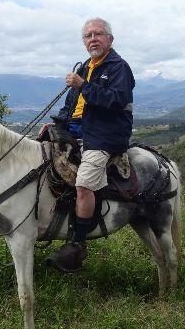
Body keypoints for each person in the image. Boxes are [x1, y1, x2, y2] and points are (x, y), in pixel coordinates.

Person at [45, 17, 135, 273]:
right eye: (88, 36)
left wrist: (84, 85)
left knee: (84, 185)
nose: (93, 39)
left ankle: (78, 245)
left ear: (110, 39)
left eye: (98, 34)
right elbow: (70, 104)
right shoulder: (85, 67)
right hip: (77, 129)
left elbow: (116, 101)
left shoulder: (119, 67)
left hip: (105, 134)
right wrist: (56, 124)